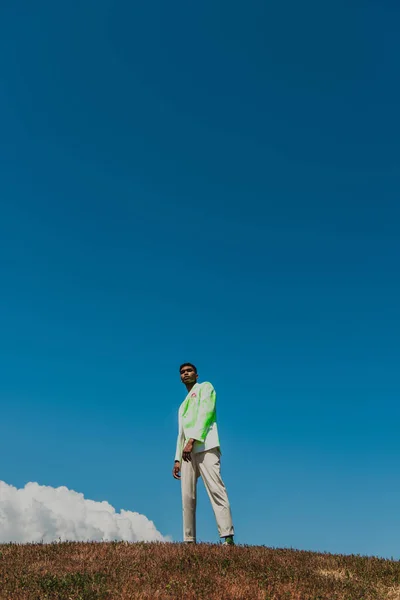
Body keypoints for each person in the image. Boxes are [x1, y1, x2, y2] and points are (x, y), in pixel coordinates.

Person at [172, 362, 235, 545]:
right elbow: (180, 434)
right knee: (187, 496)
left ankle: (227, 537)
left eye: (189, 371)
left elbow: (206, 414)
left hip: (206, 446)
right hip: (186, 454)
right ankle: (189, 540)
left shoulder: (205, 388)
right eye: (182, 372)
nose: (186, 374)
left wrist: (192, 440)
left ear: (196, 375)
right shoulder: (182, 405)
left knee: (216, 489)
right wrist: (177, 459)